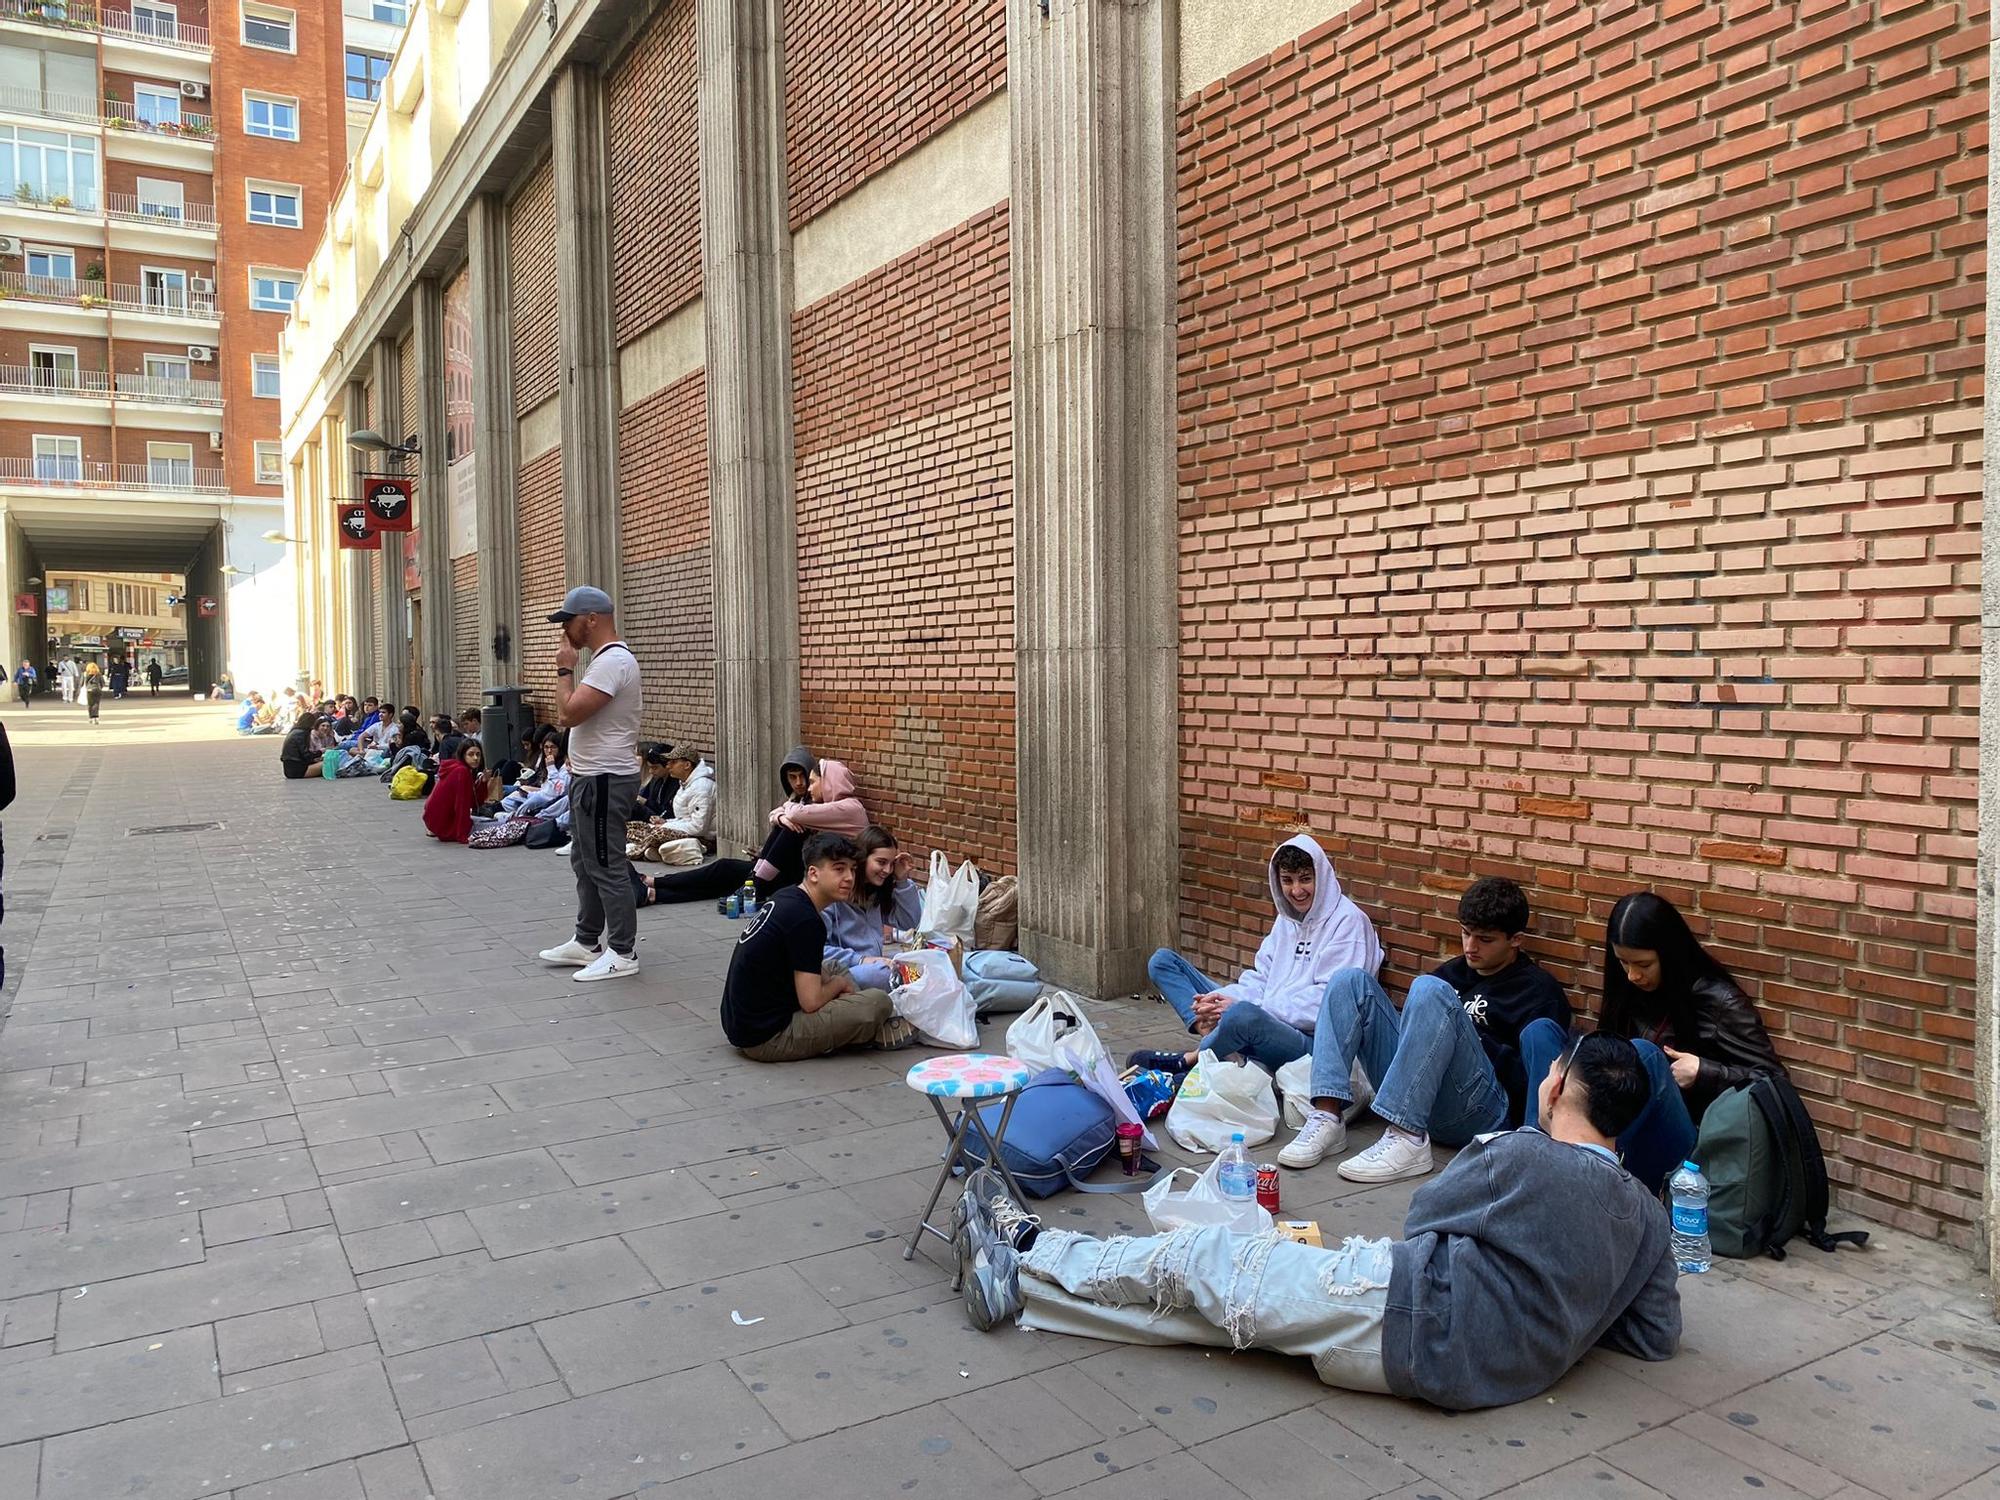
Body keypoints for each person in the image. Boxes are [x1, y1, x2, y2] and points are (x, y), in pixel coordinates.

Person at [960, 1031, 1678, 1410]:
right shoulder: (1647, 1216)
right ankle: (1023, 1288)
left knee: (1211, 1255)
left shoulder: (1523, 1153)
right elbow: (1653, 1335)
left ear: (1555, 1084)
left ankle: (1031, 1239)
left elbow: (1426, 1216)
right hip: (1473, 1367)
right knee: (1210, 1312)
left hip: (1404, 1310)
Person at [1260, 875, 1575, 1183]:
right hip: (1421, 1093)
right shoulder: (1455, 971)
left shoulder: (1536, 990)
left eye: (1485, 939)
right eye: (1465, 934)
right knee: (1348, 981)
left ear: (1515, 940)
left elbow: (1537, 1072)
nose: (1470, 947)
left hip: (1480, 1108)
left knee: (1428, 989)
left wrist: (1471, 1043)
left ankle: (1407, 1137)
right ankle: (1328, 1115)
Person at [1520, 891, 1786, 1193]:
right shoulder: (1627, 988)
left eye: (1644, 965)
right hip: (1615, 1127)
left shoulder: (1719, 1001)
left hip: (1686, 1148)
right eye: (1623, 962)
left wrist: (1704, 1071)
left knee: (1643, 1054)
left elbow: (1774, 1082)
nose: (1632, 975)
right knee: (1539, 1032)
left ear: (1669, 954)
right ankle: (1536, 1156)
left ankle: (1556, 1173)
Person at [1137, 834, 1382, 1057]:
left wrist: (1249, 1008)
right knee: (1163, 962)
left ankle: (1193, 1058)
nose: (1296, 891)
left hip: (1310, 1043)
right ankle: (1212, 1036)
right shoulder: (1287, 920)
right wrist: (1217, 1001)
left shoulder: (1348, 922)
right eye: (1287, 881)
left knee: (1242, 1015)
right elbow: (1261, 979)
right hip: (1265, 1015)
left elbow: (1327, 1008)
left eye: (1305, 879)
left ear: (1322, 876)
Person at [720, 832, 917, 1060]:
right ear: (813, 873)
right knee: (878, 1002)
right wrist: (839, 985)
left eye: (852, 869)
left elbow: (910, 920)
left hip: (743, 1024)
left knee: (833, 966)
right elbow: (811, 1002)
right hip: (768, 1037)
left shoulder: (788, 896)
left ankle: (856, 1020)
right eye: (838, 869)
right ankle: (863, 1027)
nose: (849, 878)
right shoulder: (806, 920)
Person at [535, 586, 644, 984]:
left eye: (569, 621)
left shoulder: (612, 661)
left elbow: (568, 714)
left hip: (604, 780)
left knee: (607, 864)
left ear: (592, 619)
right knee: (585, 860)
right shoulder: (604, 661)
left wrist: (565, 668)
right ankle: (587, 941)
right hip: (592, 778)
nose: (565, 631)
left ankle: (623, 951)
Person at [641, 745, 857, 905]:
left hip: (799, 874)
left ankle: (756, 884)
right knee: (722, 872)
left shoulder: (842, 807)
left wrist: (784, 816)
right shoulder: (813, 804)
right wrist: (782, 816)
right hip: (780, 868)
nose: (803, 785)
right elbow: (782, 812)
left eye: (809, 781)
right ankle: (656, 889)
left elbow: (793, 813)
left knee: (788, 830)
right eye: (794, 778)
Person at [820, 824, 921, 990]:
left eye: (891, 864)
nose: (887, 870)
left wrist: (902, 881)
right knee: (883, 975)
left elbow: (909, 921)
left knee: (924, 964)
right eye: (881, 862)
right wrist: (860, 960)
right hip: (842, 972)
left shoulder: (876, 893)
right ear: (862, 858)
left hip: (874, 967)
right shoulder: (832, 897)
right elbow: (816, 951)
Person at [627, 745, 716, 870]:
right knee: (633, 827)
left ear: (687, 765)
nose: (668, 766)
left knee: (658, 832)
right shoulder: (685, 784)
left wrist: (666, 826)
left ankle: (643, 850)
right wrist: (666, 822)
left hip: (703, 839)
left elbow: (698, 827)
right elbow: (683, 818)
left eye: (673, 762)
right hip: (684, 830)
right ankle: (655, 850)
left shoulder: (701, 787)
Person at [423, 739, 477, 842]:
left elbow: (473, 800)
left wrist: (483, 782)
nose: (475, 758)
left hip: (434, 818)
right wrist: (462, 835)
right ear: (463, 755)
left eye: (478, 755)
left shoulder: (457, 767)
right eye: (471, 754)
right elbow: (462, 804)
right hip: (444, 823)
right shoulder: (462, 771)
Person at [632, 742, 680, 820]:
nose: (651, 771)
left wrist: (644, 802)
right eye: (649, 767)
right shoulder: (656, 779)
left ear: (667, 765)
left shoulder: (676, 783)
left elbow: (668, 813)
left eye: (655, 768)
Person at [279, 713, 320, 779]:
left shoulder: (294, 731)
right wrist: (319, 753)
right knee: (325, 764)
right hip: (297, 769)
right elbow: (305, 754)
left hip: (289, 767)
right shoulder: (302, 733)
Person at [80, 662, 103, 726]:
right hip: (98, 690)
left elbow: (81, 683)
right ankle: (96, 718)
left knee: (90, 705)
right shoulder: (99, 674)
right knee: (96, 704)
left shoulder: (85, 674)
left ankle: (91, 718)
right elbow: (102, 683)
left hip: (89, 690)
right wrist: (100, 687)